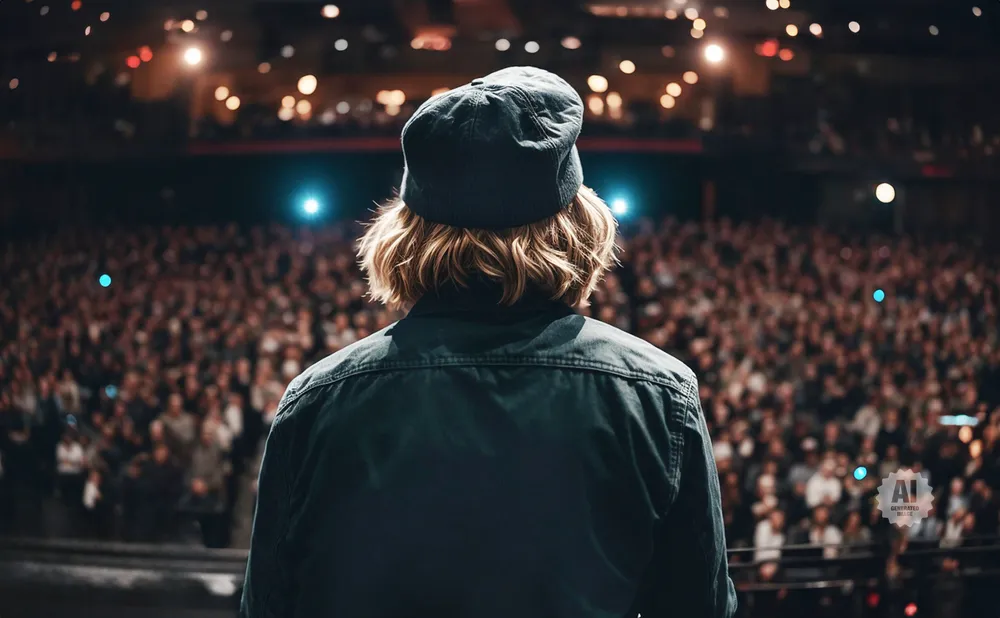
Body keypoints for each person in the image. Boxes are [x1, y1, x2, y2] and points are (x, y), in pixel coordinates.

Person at [241, 67, 737, 618]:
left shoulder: (317, 402)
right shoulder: (657, 397)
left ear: (406, 233)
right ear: (576, 226)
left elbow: (269, 605)